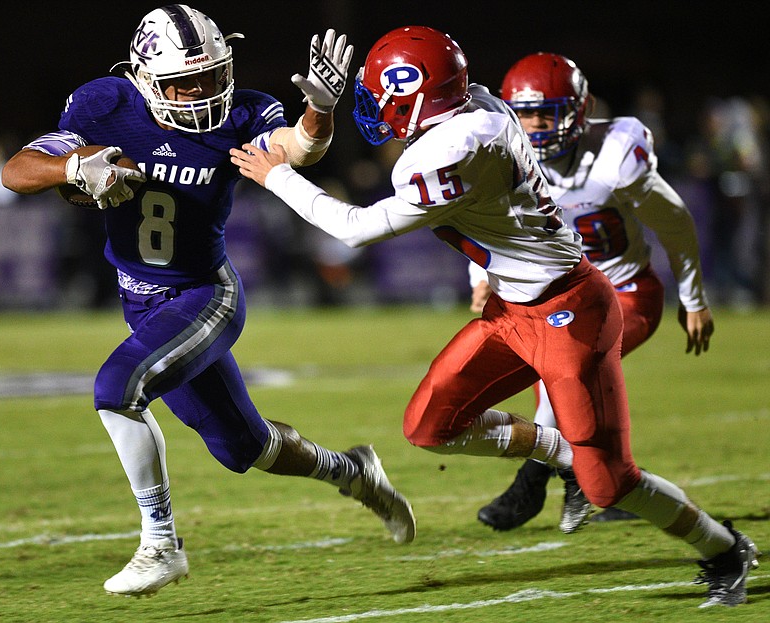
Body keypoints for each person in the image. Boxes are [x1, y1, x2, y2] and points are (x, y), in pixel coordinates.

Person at [232, 25, 759, 609]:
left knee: (609, 484)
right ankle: (560, 450)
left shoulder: (451, 149)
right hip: (514, 306)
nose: (377, 109)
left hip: (570, 312)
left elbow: (354, 231)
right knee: (430, 426)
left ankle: (724, 547)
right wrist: (320, 112)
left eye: (385, 96)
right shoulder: (474, 103)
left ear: (416, 97)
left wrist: (276, 175)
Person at [1, 5, 415, 598]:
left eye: (209, 75)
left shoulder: (244, 112)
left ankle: (160, 544)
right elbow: (18, 171)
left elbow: (298, 149)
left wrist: (320, 111)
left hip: (203, 294)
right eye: (182, 81)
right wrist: (72, 167)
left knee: (116, 388)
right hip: (141, 300)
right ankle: (354, 471)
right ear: (145, 77)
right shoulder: (104, 105)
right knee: (246, 448)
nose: (199, 92)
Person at [471, 53, 715, 533]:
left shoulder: (616, 157)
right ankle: (586, 477)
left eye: (547, 112)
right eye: (523, 113)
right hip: (557, 297)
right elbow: (484, 224)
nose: (535, 125)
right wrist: (478, 278)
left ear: (577, 111)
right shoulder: (502, 156)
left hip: (624, 293)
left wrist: (694, 298)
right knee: (562, 383)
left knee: (564, 368)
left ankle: (535, 477)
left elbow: (677, 222)